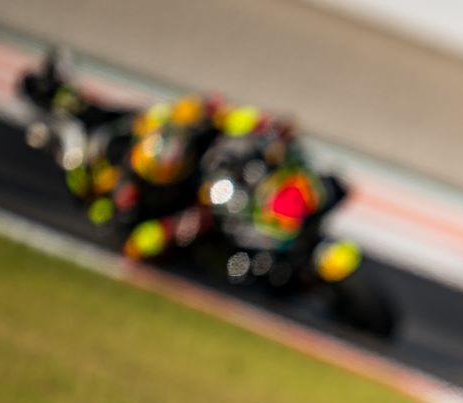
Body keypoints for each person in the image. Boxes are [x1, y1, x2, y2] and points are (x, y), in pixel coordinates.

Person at [21, 56, 289, 260]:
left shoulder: (161, 130)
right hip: (159, 208)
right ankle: (59, 130)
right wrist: (172, 228)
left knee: (103, 113)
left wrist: (262, 122)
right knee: (82, 174)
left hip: (142, 137)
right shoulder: (130, 194)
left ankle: (62, 94)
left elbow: (205, 110)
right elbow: (134, 243)